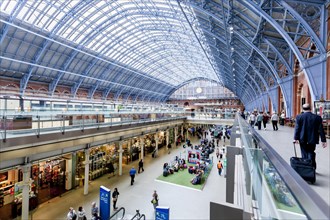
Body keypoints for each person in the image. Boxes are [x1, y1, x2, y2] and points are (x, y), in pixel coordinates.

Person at [294, 103, 327, 169]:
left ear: (302, 109)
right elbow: (321, 129)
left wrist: (296, 138)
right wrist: (323, 140)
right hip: (313, 138)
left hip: (302, 138)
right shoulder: (317, 117)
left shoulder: (299, 117)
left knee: (304, 153)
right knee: (311, 152)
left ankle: (306, 168)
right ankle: (312, 167)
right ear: (311, 108)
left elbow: (297, 128)